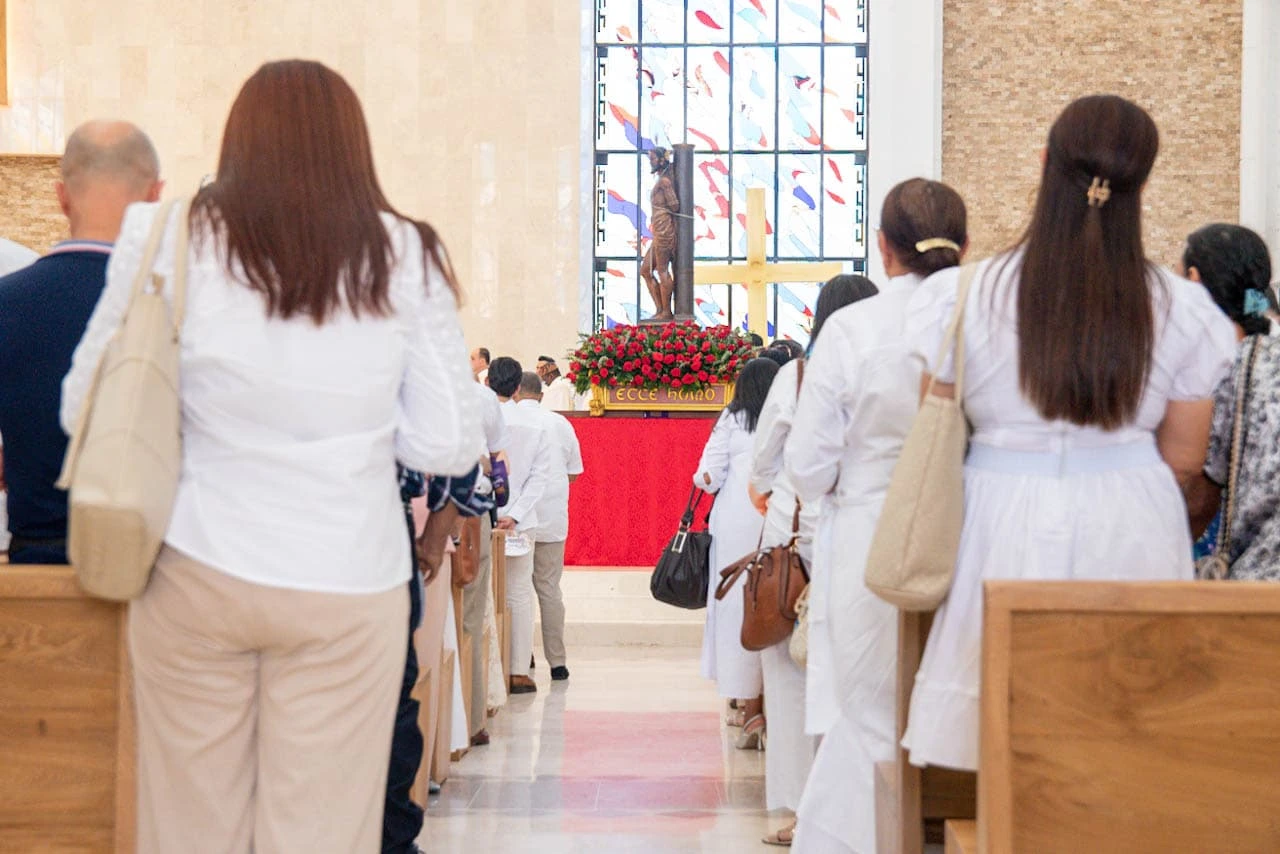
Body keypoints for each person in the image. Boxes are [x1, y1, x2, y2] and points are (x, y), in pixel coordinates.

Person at [60, 61, 481, 853]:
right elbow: (446, 442)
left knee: (188, 827)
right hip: (347, 577)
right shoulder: (402, 251)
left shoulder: (164, 234)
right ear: (353, 146)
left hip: (194, 566)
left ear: (237, 139)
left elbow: (82, 402)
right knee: (321, 832)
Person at [900, 96, 1235, 784]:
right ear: (1140, 187)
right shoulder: (1182, 308)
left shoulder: (963, 296)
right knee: (1127, 737)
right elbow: (1182, 459)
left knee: (1008, 740)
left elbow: (928, 421)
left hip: (997, 508)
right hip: (1133, 514)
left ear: (1045, 165)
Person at [786, 177, 968, 854]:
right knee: (950, 699)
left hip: (870, 534)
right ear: (965, 243)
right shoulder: (984, 313)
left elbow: (807, 464)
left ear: (885, 249)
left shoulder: (853, 327)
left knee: (870, 711)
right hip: (965, 527)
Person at [748, 274, 879, 847]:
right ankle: (861, 804)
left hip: (797, 531)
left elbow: (764, 462)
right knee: (862, 669)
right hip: (869, 530)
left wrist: (773, 500)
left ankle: (802, 812)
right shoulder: (893, 363)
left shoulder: (796, 373)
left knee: (789, 675)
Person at [0, 120, 162, 565]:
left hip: (39, 561)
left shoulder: (6, 301)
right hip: (152, 566)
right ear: (155, 195)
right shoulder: (173, 302)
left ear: (61, 196)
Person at [1180, 226, 1280, 579]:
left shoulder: (1226, 367)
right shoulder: (1266, 356)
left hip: (1260, 585)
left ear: (1194, 281)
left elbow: (1198, 492)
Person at [693, 357, 780, 750]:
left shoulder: (731, 418)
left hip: (734, 522)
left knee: (737, 608)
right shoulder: (785, 415)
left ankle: (746, 708)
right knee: (776, 603)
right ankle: (774, 704)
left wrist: (708, 478)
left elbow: (706, 476)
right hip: (775, 515)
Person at [487, 357, 554, 695]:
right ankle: (517, 672)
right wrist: (515, 513)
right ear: (517, 389)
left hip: (481, 518)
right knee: (518, 592)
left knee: (484, 593)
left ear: (487, 383)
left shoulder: (479, 420)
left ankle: (488, 673)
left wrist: (494, 510)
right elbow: (539, 479)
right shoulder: (535, 427)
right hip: (520, 522)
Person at [515, 371, 584, 680]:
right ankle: (557, 663)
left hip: (515, 518)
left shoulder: (509, 420)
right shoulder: (560, 424)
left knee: (516, 589)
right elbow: (574, 471)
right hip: (552, 516)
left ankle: (521, 657)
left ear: (516, 393)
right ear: (541, 395)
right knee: (549, 588)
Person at [463, 377, 508, 746]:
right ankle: (472, 718)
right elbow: (497, 459)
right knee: (472, 616)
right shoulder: (480, 397)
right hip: (466, 506)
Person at [641, 147, 680, 321]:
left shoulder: (665, 182)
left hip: (665, 231)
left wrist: (663, 213)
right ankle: (659, 309)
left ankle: (666, 312)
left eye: (653, 158)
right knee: (645, 270)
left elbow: (675, 205)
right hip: (658, 230)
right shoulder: (661, 181)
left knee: (662, 270)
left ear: (661, 160)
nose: (651, 162)